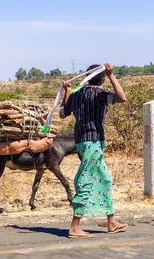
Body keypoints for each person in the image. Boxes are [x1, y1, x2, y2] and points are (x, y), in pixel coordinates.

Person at [59, 63, 128, 239]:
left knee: (105, 178)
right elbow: (122, 98)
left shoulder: (76, 94)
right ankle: (75, 227)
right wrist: (113, 75)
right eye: (105, 76)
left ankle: (111, 222)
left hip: (82, 141)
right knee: (86, 180)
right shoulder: (99, 93)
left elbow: (62, 113)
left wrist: (67, 92)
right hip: (93, 142)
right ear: (102, 78)